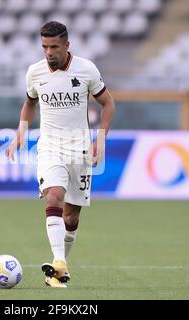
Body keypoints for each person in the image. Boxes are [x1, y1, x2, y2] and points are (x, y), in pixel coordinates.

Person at [6, 21, 115, 288]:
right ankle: (60, 262)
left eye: (54, 46)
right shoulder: (35, 72)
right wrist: (21, 130)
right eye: (44, 46)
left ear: (67, 45)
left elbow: (108, 102)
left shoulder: (86, 69)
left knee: (71, 218)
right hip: (50, 148)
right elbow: (29, 103)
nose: (48, 52)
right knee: (53, 196)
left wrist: (101, 138)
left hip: (79, 150)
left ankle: (56, 271)